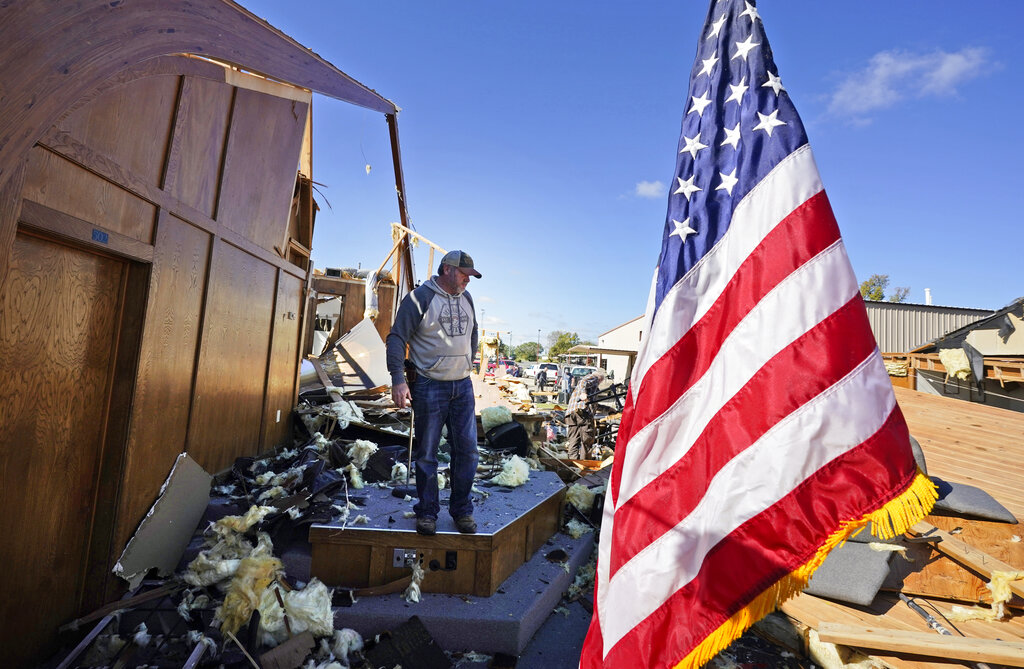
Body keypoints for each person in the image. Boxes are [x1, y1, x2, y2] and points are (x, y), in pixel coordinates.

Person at [386, 250, 482, 536]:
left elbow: (473, 332)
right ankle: (427, 512)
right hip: (429, 384)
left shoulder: (467, 298)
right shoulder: (420, 298)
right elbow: (396, 337)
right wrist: (398, 380)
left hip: (462, 385)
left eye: (470, 276)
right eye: (464, 274)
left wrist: (467, 360)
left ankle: (462, 511)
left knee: (468, 452)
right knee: (427, 453)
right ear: (447, 270)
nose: (468, 280)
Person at [564, 369, 605, 460]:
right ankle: (584, 465)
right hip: (583, 412)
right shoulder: (594, 378)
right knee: (587, 441)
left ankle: (573, 464)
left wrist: (609, 409)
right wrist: (583, 392)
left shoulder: (591, 390)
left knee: (573, 440)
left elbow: (595, 405)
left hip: (571, 413)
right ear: (600, 379)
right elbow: (583, 381)